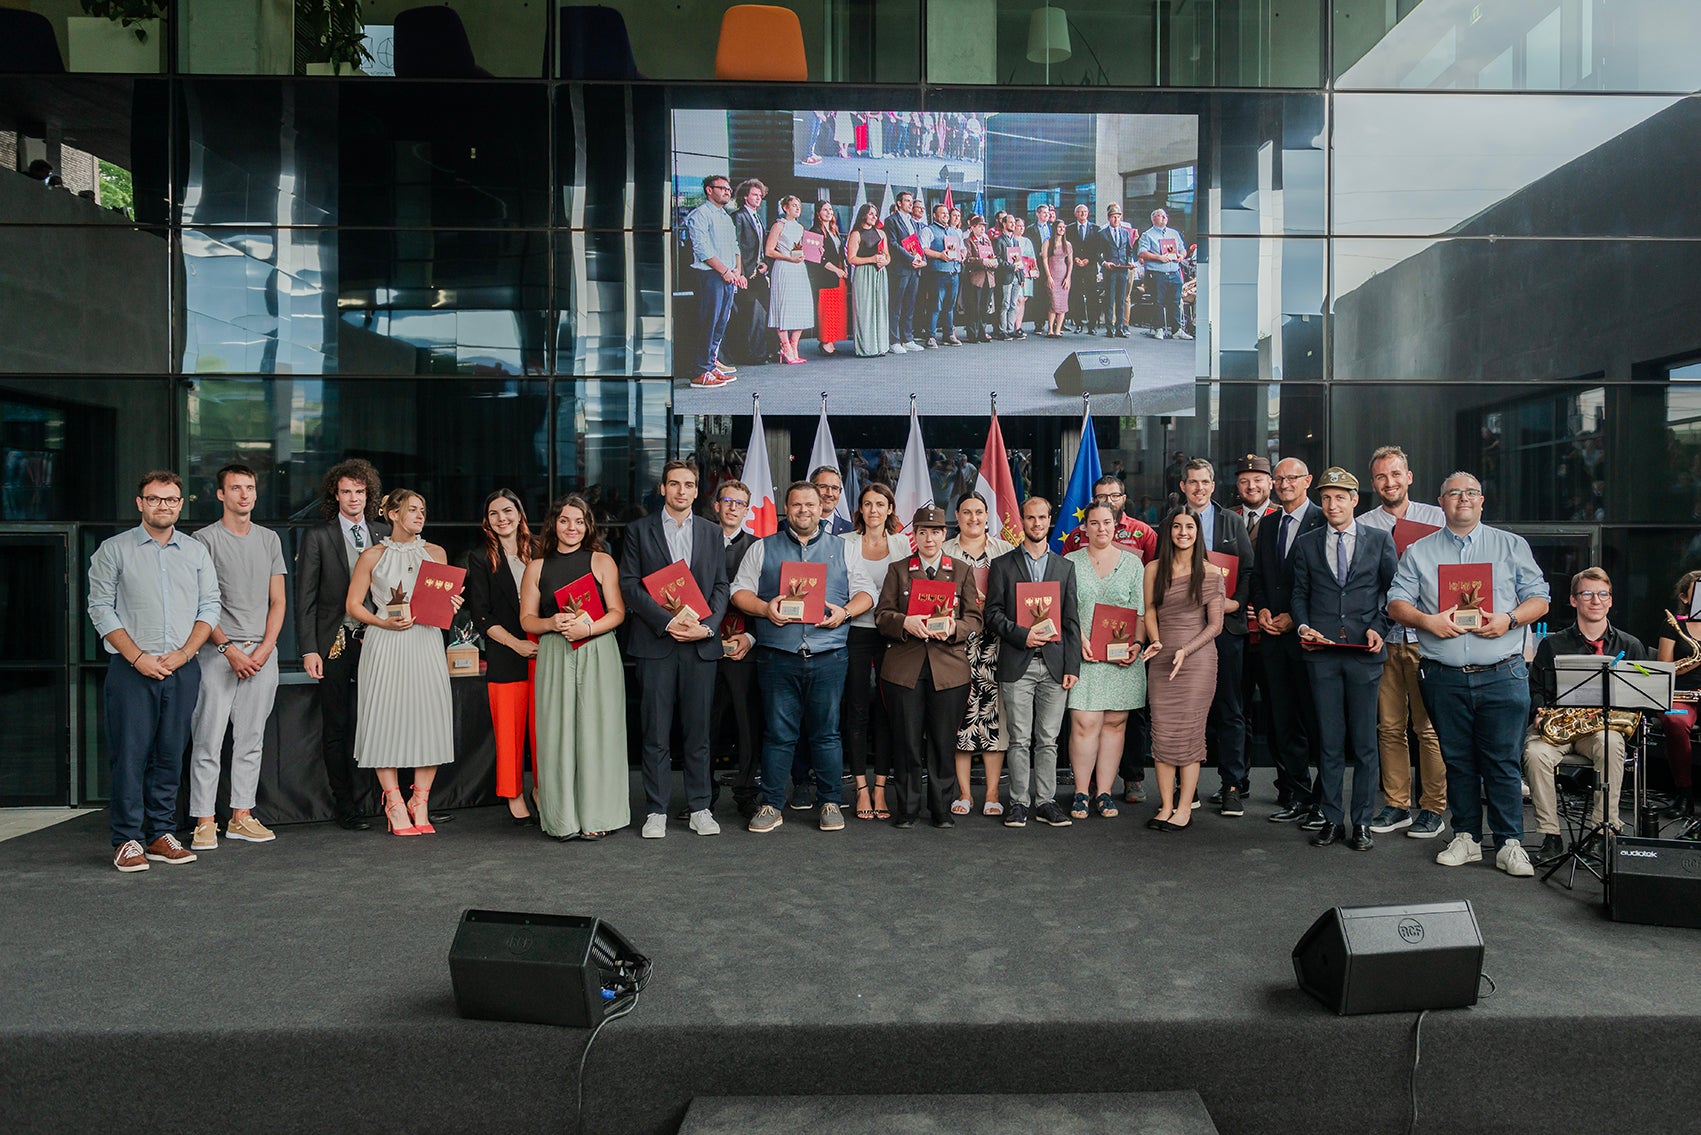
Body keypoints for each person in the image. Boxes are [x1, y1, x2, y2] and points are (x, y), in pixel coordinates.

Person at [1388, 471, 1551, 876]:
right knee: (1457, 760)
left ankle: (1510, 843)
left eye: (1471, 493)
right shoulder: (1419, 551)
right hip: (1443, 675)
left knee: (1503, 762)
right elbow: (1396, 602)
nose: (1463, 498)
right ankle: (1466, 837)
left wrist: (1509, 619)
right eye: (1454, 493)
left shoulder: (1510, 545)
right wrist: (1427, 621)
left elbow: (1540, 598)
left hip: (1503, 672)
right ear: (1440, 502)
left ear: (1482, 501)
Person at [88, 471, 220, 872]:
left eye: (171, 499)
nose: (163, 505)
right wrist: (136, 657)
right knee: (130, 755)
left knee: (169, 753)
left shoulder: (195, 552)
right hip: (132, 669)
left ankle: (161, 833)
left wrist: (185, 653)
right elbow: (100, 608)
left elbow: (210, 606)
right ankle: (127, 839)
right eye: (155, 498)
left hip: (182, 668)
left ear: (180, 504)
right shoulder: (114, 550)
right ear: (140, 503)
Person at [731, 481, 878, 833]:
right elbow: (738, 591)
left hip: (828, 656)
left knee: (826, 733)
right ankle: (771, 804)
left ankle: (830, 801)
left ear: (821, 508)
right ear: (787, 508)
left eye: (810, 504)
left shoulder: (843, 549)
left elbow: (867, 592)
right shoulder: (762, 548)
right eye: (797, 504)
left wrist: (844, 612)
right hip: (778, 656)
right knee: (778, 734)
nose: (804, 510)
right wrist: (765, 608)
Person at [1290, 468, 1398, 850]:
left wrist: (1379, 627)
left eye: (1340, 497)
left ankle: (1362, 822)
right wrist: (1303, 627)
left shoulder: (1379, 539)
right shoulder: (1307, 543)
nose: (1332, 504)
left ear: (1354, 500)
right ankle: (1332, 819)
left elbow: (1393, 593)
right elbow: (1299, 594)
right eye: (1326, 497)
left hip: (1364, 654)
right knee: (1329, 741)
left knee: (1365, 743)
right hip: (1321, 654)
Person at [619, 461, 728, 838]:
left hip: (700, 645)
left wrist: (706, 628)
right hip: (656, 644)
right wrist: (668, 623)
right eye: (675, 484)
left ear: (697, 491)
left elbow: (721, 586)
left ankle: (700, 807)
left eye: (689, 485)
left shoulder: (712, 532)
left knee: (698, 734)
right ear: (662, 488)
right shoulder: (638, 530)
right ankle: (656, 810)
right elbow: (629, 585)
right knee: (655, 732)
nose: (682, 490)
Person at [186, 464, 287, 851]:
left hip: (261, 653)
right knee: (207, 739)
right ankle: (204, 821)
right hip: (216, 653)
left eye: (250, 487)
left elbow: (278, 602)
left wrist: (264, 649)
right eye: (235, 488)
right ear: (220, 494)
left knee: (251, 739)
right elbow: (201, 603)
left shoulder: (269, 540)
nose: (244, 494)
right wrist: (228, 649)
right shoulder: (203, 540)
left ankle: (241, 816)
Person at [345, 490, 457, 836]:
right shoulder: (372, 555)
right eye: (412, 509)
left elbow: (441, 599)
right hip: (385, 642)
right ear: (393, 514)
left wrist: (452, 604)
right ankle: (393, 802)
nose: (420, 515)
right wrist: (382, 622)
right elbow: (353, 605)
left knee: (430, 717)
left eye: (423, 509)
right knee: (384, 717)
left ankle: (420, 800)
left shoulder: (436, 552)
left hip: (426, 641)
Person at [521, 495, 630, 840]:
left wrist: (589, 629)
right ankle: (562, 820)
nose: (572, 528)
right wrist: (550, 623)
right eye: (565, 520)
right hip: (555, 652)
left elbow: (617, 612)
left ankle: (598, 817)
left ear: (588, 526)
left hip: (597, 650)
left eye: (579, 521)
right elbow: (526, 619)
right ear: (553, 524)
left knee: (598, 732)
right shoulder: (537, 567)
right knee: (557, 733)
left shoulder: (601, 561)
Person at [1355, 445, 1449, 838]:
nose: (1389, 482)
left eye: (1395, 474)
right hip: (1383, 637)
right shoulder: (1363, 524)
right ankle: (1397, 804)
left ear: (1409, 477)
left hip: (1428, 636)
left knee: (1428, 728)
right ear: (1373, 482)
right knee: (1390, 727)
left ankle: (1433, 808)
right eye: (1381, 476)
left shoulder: (1438, 519)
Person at [1523, 567, 1645, 859]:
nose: (1595, 600)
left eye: (1602, 594)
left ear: (1611, 600)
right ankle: (1551, 835)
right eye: (1587, 594)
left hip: (1601, 730)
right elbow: (1537, 688)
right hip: (1560, 727)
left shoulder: (1630, 645)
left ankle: (1603, 831)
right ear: (1573, 600)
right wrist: (1539, 712)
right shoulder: (1552, 644)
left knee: (1611, 743)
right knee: (1535, 754)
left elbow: (1640, 697)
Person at [295, 458, 389, 830]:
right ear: (335, 495)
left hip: (379, 639)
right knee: (337, 724)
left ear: (369, 494)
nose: (353, 498)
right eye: (346, 491)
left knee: (384, 719)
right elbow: (305, 598)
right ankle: (345, 804)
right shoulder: (319, 536)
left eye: (359, 492)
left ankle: (390, 800)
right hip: (335, 640)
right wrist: (309, 649)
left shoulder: (384, 532)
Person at [876, 506, 983, 828]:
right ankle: (907, 809)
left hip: (948, 669)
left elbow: (974, 619)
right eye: (922, 532)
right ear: (915, 535)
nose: (929, 538)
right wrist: (904, 622)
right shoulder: (898, 570)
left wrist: (954, 628)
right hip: (904, 668)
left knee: (942, 742)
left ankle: (940, 809)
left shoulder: (961, 570)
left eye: (935, 532)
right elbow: (882, 615)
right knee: (906, 742)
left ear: (944, 534)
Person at [987, 497, 1080, 828]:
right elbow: (992, 613)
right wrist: (1021, 635)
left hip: (1055, 665)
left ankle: (1046, 801)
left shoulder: (1065, 567)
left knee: (1048, 740)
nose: (1037, 523)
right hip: (1018, 662)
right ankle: (1018, 802)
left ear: (1049, 519)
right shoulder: (1002, 565)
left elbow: (1071, 622)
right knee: (1019, 738)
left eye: (1042, 517)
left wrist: (1072, 667)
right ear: (1022, 521)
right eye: (1030, 518)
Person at [1177, 459, 1254, 818]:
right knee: (1187, 710)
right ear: (1183, 486)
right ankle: (1186, 787)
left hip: (1225, 630)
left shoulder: (1232, 522)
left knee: (1229, 709)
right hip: (1185, 630)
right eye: (1192, 482)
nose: (1199, 488)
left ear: (1213, 485)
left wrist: (1237, 602)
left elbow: (1248, 570)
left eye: (1205, 482)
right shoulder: (1173, 521)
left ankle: (1232, 786)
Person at [1251, 457, 1326, 825]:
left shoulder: (1324, 519)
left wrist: (1296, 618)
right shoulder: (1268, 524)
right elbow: (1260, 576)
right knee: (1283, 721)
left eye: (1291, 478)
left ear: (1307, 480)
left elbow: (1326, 581)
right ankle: (1296, 794)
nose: (1284, 484)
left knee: (1318, 722)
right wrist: (1263, 608)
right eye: (1278, 479)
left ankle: (1324, 802)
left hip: (1309, 639)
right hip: (1273, 640)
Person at [1142, 507, 1225, 829]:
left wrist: (1185, 650)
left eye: (1189, 527)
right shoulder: (1153, 569)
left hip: (1198, 660)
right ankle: (1166, 806)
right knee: (1162, 732)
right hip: (1162, 658)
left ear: (1197, 532)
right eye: (1177, 526)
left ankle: (1185, 809)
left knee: (1190, 733)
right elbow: (1149, 610)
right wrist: (1156, 641)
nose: (1183, 532)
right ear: (1169, 532)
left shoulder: (1211, 572)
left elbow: (1215, 625)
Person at [1067, 502, 1150, 820]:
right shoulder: (1069, 562)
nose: (1101, 528)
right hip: (1084, 655)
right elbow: (1064, 610)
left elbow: (1140, 612)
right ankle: (1080, 792)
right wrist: (1078, 639)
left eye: (1107, 522)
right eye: (1094, 523)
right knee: (1084, 723)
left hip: (1121, 660)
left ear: (1116, 526)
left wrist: (1137, 644)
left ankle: (1103, 792)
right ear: (1084, 528)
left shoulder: (1133, 564)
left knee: (1115, 725)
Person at [464, 489, 539, 826]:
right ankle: (513, 793)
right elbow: (481, 615)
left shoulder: (541, 549)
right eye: (494, 513)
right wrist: (515, 644)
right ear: (487, 521)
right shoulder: (480, 558)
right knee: (509, 731)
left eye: (507, 511)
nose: (501, 518)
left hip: (545, 648)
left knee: (544, 729)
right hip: (507, 651)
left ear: (519, 513)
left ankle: (542, 789)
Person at [841, 482, 910, 820]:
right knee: (856, 711)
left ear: (890, 509)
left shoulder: (902, 544)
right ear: (860, 509)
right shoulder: (845, 542)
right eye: (867, 504)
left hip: (892, 637)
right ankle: (861, 788)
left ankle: (880, 787)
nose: (873, 510)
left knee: (886, 711)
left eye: (880, 504)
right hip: (854, 632)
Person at [944, 491, 1014, 816]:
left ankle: (992, 793)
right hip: (955, 645)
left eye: (979, 512)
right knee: (961, 718)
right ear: (957, 516)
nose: (973, 518)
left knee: (994, 718)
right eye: (967, 512)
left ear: (988, 517)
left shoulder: (1006, 551)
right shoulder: (945, 551)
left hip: (995, 646)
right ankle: (963, 793)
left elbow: (1018, 598)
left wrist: (993, 604)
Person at [710, 481, 763, 819]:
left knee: (748, 725)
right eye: (727, 501)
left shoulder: (759, 547)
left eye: (739, 503)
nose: (732, 507)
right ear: (716, 505)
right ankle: (703, 795)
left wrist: (752, 637)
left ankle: (746, 793)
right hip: (704, 646)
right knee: (705, 725)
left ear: (747, 511)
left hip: (746, 648)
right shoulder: (699, 541)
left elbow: (767, 597)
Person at [681, 174, 743, 389]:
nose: (727, 192)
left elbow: (735, 246)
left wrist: (737, 270)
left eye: (729, 189)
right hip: (710, 276)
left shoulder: (725, 217)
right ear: (709, 190)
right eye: (722, 188)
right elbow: (702, 249)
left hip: (728, 276)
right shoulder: (700, 215)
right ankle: (700, 372)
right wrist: (725, 271)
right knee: (708, 323)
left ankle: (710, 365)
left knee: (720, 323)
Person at [1656, 570, 1701, 818]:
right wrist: (1695, 660)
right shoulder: (1674, 624)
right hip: (1682, 693)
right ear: (1685, 598)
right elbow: (1664, 667)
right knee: (1674, 720)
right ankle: (1684, 792)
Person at [1059, 475, 1158, 560]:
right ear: (1093, 501)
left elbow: (1156, 568)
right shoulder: (1077, 535)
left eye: (1115, 496)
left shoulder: (1144, 532)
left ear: (1124, 499)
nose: (1109, 501)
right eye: (1102, 496)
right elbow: (1065, 570)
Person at [764, 195, 813, 365]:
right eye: (794, 205)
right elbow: (769, 250)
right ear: (785, 208)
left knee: (800, 306)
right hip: (784, 267)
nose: (797, 208)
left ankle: (794, 346)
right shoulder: (779, 225)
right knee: (783, 305)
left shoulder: (800, 227)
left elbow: (802, 248)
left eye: (799, 205)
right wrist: (788, 258)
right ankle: (785, 347)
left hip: (798, 267)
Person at [727, 177, 771, 366]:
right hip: (745, 274)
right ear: (746, 197)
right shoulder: (738, 216)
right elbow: (735, 246)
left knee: (761, 312)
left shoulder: (758, 217)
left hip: (758, 272)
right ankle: (749, 354)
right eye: (754, 194)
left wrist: (765, 263)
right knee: (748, 314)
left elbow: (760, 246)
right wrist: (741, 272)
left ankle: (760, 352)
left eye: (760, 195)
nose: (758, 198)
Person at [1137, 207, 1191, 340]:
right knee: (1158, 301)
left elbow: (1183, 249)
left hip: (1174, 271)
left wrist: (1181, 256)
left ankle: (1177, 329)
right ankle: (1159, 329)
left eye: (1165, 215)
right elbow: (1142, 253)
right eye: (1160, 216)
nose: (1164, 218)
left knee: (1176, 301)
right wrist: (1159, 257)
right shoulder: (1147, 235)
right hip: (1157, 273)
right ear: (1153, 218)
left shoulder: (1174, 233)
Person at [883, 190, 927, 353]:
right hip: (900, 269)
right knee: (896, 306)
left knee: (910, 305)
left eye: (911, 201)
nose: (911, 203)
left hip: (914, 270)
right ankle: (894, 341)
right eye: (907, 201)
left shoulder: (913, 222)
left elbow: (917, 244)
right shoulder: (891, 221)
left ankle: (907, 339)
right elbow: (893, 244)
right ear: (899, 203)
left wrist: (922, 260)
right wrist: (910, 259)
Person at [846, 202, 891, 358]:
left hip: (880, 273)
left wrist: (885, 262)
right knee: (865, 310)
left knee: (880, 308)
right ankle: (866, 347)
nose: (874, 217)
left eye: (876, 215)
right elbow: (851, 258)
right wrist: (871, 259)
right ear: (863, 215)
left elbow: (888, 255)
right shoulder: (856, 234)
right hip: (864, 273)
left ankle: (881, 345)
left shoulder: (881, 233)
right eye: (871, 214)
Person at [807, 200, 848, 356]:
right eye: (825, 210)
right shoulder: (815, 231)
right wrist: (836, 270)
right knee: (826, 310)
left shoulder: (834, 230)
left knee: (835, 310)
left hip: (839, 275)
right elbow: (815, 257)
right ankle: (825, 343)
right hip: (825, 276)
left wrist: (843, 268)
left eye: (830, 209)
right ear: (818, 213)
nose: (829, 212)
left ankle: (831, 341)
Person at [920, 200, 963, 348]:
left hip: (954, 272)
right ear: (934, 215)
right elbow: (923, 249)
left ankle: (949, 334)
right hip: (937, 274)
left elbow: (961, 249)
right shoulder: (928, 230)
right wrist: (939, 255)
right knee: (935, 306)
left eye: (947, 213)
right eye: (942, 213)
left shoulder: (954, 231)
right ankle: (930, 336)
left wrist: (962, 254)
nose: (946, 216)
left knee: (950, 306)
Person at [1094, 204, 1136, 338]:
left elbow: (1129, 250)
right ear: (1109, 218)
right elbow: (1097, 253)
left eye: (1118, 217)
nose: (1116, 219)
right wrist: (1104, 263)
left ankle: (1120, 327)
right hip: (1110, 270)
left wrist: (1129, 261)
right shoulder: (1102, 233)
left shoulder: (1125, 233)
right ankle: (1109, 327)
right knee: (1109, 299)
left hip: (1123, 270)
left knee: (1121, 299)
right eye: (1113, 217)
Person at [961, 214, 998, 344]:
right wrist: (982, 261)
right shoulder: (968, 241)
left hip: (988, 277)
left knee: (984, 307)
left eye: (983, 226)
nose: (982, 229)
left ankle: (982, 332)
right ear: (972, 227)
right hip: (976, 278)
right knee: (973, 307)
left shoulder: (986, 241)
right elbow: (967, 259)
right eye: (979, 226)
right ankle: (973, 333)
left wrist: (994, 262)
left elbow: (992, 256)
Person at [991, 213, 1025, 341]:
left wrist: (1021, 277)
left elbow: (1019, 259)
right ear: (1004, 224)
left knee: (1013, 304)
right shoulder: (998, 240)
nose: (1013, 225)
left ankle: (1010, 329)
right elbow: (998, 259)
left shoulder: (1015, 241)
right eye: (1010, 222)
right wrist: (1011, 267)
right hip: (1005, 276)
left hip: (1016, 276)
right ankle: (1002, 330)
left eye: (1014, 223)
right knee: (1004, 303)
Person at [1067, 203, 1099, 333]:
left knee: (1092, 296)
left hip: (1090, 267)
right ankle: (1078, 323)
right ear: (1076, 214)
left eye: (1085, 211)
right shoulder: (1069, 229)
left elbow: (1098, 248)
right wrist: (1074, 258)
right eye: (1080, 212)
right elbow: (1067, 246)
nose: (1083, 214)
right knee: (1076, 295)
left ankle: (1092, 325)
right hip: (1075, 267)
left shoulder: (1095, 229)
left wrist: (1089, 259)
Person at [1042, 220, 1072, 338]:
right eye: (1059, 227)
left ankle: (1058, 329)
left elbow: (1070, 262)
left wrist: (1068, 277)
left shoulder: (1067, 244)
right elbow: (1045, 259)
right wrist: (1048, 276)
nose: (1062, 229)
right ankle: (1050, 329)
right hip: (1052, 274)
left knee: (1063, 304)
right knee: (1053, 303)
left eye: (1063, 227)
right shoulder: (1048, 243)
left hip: (1063, 275)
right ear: (1055, 228)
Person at [1014, 216, 1038, 336]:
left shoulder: (1027, 241)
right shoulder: (1011, 239)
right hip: (1016, 273)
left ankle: (1018, 326)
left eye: (1023, 226)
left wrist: (1035, 270)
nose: (1021, 228)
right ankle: (1012, 326)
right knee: (1017, 300)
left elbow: (1032, 258)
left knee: (1023, 300)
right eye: (1019, 226)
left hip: (1027, 273)